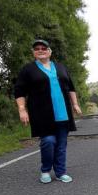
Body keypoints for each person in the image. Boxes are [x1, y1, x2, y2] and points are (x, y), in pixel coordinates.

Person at [14, 39, 82, 183]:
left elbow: (70, 87)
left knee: (61, 144)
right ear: (33, 52)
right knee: (48, 141)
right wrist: (22, 109)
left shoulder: (60, 67)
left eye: (43, 48)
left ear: (49, 51)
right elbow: (19, 91)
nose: (40, 50)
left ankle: (60, 172)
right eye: (37, 48)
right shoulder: (28, 69)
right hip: (41, 114)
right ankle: (45, 170)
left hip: (63, 112)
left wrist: (75, 104)